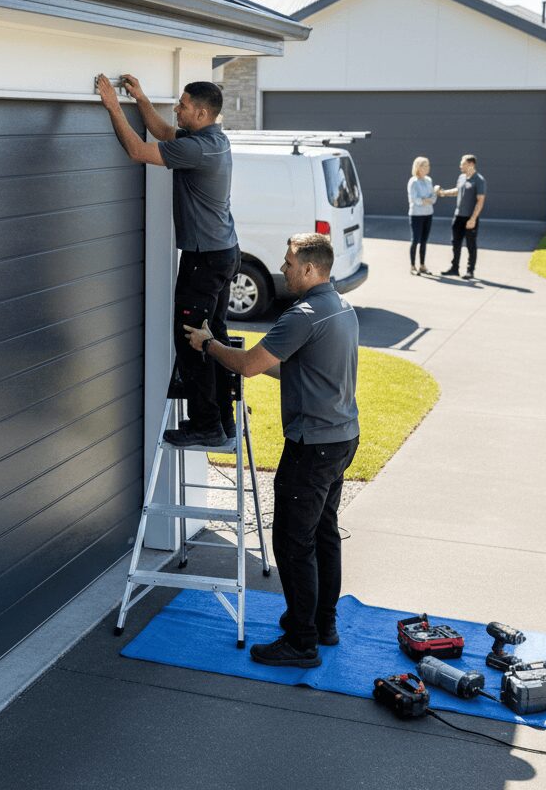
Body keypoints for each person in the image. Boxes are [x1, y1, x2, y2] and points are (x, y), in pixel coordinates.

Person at [184, 234, 360, 668]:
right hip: (342, 439)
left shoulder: (302, 315)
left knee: (292, 542)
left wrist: (208, 343)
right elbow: (307, 367)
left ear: (309, 269)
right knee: (324, 534)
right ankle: (323, 624)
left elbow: (246, 366)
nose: (282, 269)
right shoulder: (341, 307)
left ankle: (302, 643)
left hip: (312, 447)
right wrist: (261, 361)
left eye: (287, 263)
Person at [96, 73, 239, 449]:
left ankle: (206, 426)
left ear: (203, 112)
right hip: (222, 253)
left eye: (183, 105)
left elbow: (138, 152)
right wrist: (140, 97)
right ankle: (223, 419)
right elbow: (160, 131)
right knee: (214, 337)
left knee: (193, 340)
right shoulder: (208, 140)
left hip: (204, 260)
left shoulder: (198, 148)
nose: (176, 109)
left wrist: (113, 106)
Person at [439, 154, 486, 280]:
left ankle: (470, 271)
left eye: (463, 163)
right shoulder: (461, 177)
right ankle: (454, 268)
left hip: (470, 218)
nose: (460, 166)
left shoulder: (479, 180)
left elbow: (480, 201)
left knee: (471, 244)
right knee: (455, 243)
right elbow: (457, 191)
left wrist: (473, 219)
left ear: (471, 164)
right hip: (458, 216)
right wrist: (443, 193)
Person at [407, 156, 439, 275]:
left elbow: (434, 198)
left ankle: (422, 266)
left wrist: (427, 199)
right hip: (416, 215)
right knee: (415, 240)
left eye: (428, 165)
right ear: (418, 167)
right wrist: (426, 199)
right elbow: (416, 200)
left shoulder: (429, 180)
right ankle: (412, 266)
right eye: (425, 166)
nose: (428, 168)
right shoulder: (413, 181)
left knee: (424, 241)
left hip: (428, 214)